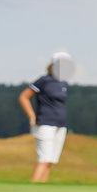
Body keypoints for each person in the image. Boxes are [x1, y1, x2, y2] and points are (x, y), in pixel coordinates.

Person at [19, 51, 74, 182]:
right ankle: (32, 190)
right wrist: (31, 116)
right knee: (43, 160)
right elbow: (23, 97)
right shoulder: (44, 81)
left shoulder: (62, 83)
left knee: (50, 161)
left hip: (60, 125)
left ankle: (43, 191)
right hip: (45, 123)